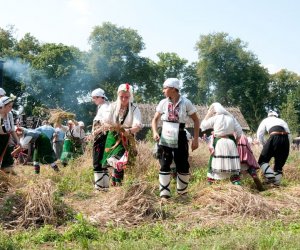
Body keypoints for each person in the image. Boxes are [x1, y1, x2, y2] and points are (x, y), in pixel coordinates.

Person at [152, 78, 199, 200]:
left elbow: (196, 120)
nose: (163, 91)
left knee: (182, 162)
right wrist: (155, 131)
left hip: (180, 134)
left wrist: (195, 139)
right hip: (165, 133)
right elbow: (155, 119)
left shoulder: (186, 102)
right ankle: (164, 194)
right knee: (164, 161)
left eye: (165, 88)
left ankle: (182, 193)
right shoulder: (163, 103)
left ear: (173, 89)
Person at [101, 83, 142, 186]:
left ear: (130, 97)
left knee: (120, 160)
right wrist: (109, 125)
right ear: (118, 96)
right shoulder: (112, 106)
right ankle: (114, 184)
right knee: (113, 161)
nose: (124, 99)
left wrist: (129, 131)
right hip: (113, 136)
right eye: (121, 97)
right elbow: (105, 121)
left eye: (126, 97)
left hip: (127, 136)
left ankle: (118, 185)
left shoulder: (134, 108)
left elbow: (137, 125)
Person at [200, 102, 243, 185]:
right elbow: (240, 132)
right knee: (232, 163)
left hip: (219, 141)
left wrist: (208, 114)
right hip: (231, 142)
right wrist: (236, 142)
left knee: (213, 161)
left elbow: (203, 126)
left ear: (214, 111)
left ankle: (211, 184)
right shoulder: (231, 118)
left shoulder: (215, 118)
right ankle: (236, 183)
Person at [256, 110, 291, 186]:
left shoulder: (266, 120)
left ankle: (270, 176)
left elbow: (259, 134)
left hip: (274, 137)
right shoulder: (282, 121)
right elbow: (289, 134)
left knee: (262, 160)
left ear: (269, 115)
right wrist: (288, 146)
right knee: (279, 164)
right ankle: (276, 184)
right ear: (276, 115)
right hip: (285, 140)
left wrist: (264, 144)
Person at [90, 88, 110, 190]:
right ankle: (105, 186)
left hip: (101, 137)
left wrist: (96, 132)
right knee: (102, 161)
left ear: (100, 97)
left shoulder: (105, 107)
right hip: (99, 136)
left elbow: (107, 123)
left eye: (94, 98)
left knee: (97, 161)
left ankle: (99, 187)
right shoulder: (101, 107)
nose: (93, 100)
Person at [0, 96, 20, 174]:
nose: (11, 108)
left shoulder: (10, 115)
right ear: (3, 106)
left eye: (12, 106)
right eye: (9, 106)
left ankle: (8, 176)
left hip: (5, 141)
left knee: (7, 161)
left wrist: (18, 142)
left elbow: (12, 130)